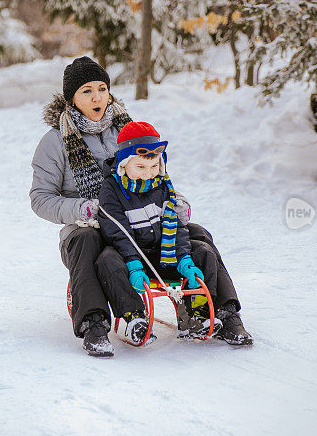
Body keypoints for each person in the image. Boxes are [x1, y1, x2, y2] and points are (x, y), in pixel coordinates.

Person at [30, 56, 243, 357]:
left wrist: (176, 202)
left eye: (102, 88)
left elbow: (154, 173)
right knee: (88, 242)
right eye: (86, 91)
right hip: (89, 227)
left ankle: (223, 312)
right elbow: (40, 199)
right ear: (71, 99)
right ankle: (94, 323)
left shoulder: (126, 129)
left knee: (197, 234)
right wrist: (82, 209)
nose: (97, 97)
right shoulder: (55, 142)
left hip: (140, 222)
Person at [97, 121, 253, 346]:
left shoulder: (163, 185)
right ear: (124, 164)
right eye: (140, 167)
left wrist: (185, 259)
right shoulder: (111, 190)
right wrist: (132, 263)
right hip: (131, 257)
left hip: (164, 254)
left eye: (153, 167)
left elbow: (178, 225)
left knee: (203, 250)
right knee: (107, 259)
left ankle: (196, 315)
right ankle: (134, 317)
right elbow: (118, 231)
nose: (148, 174)